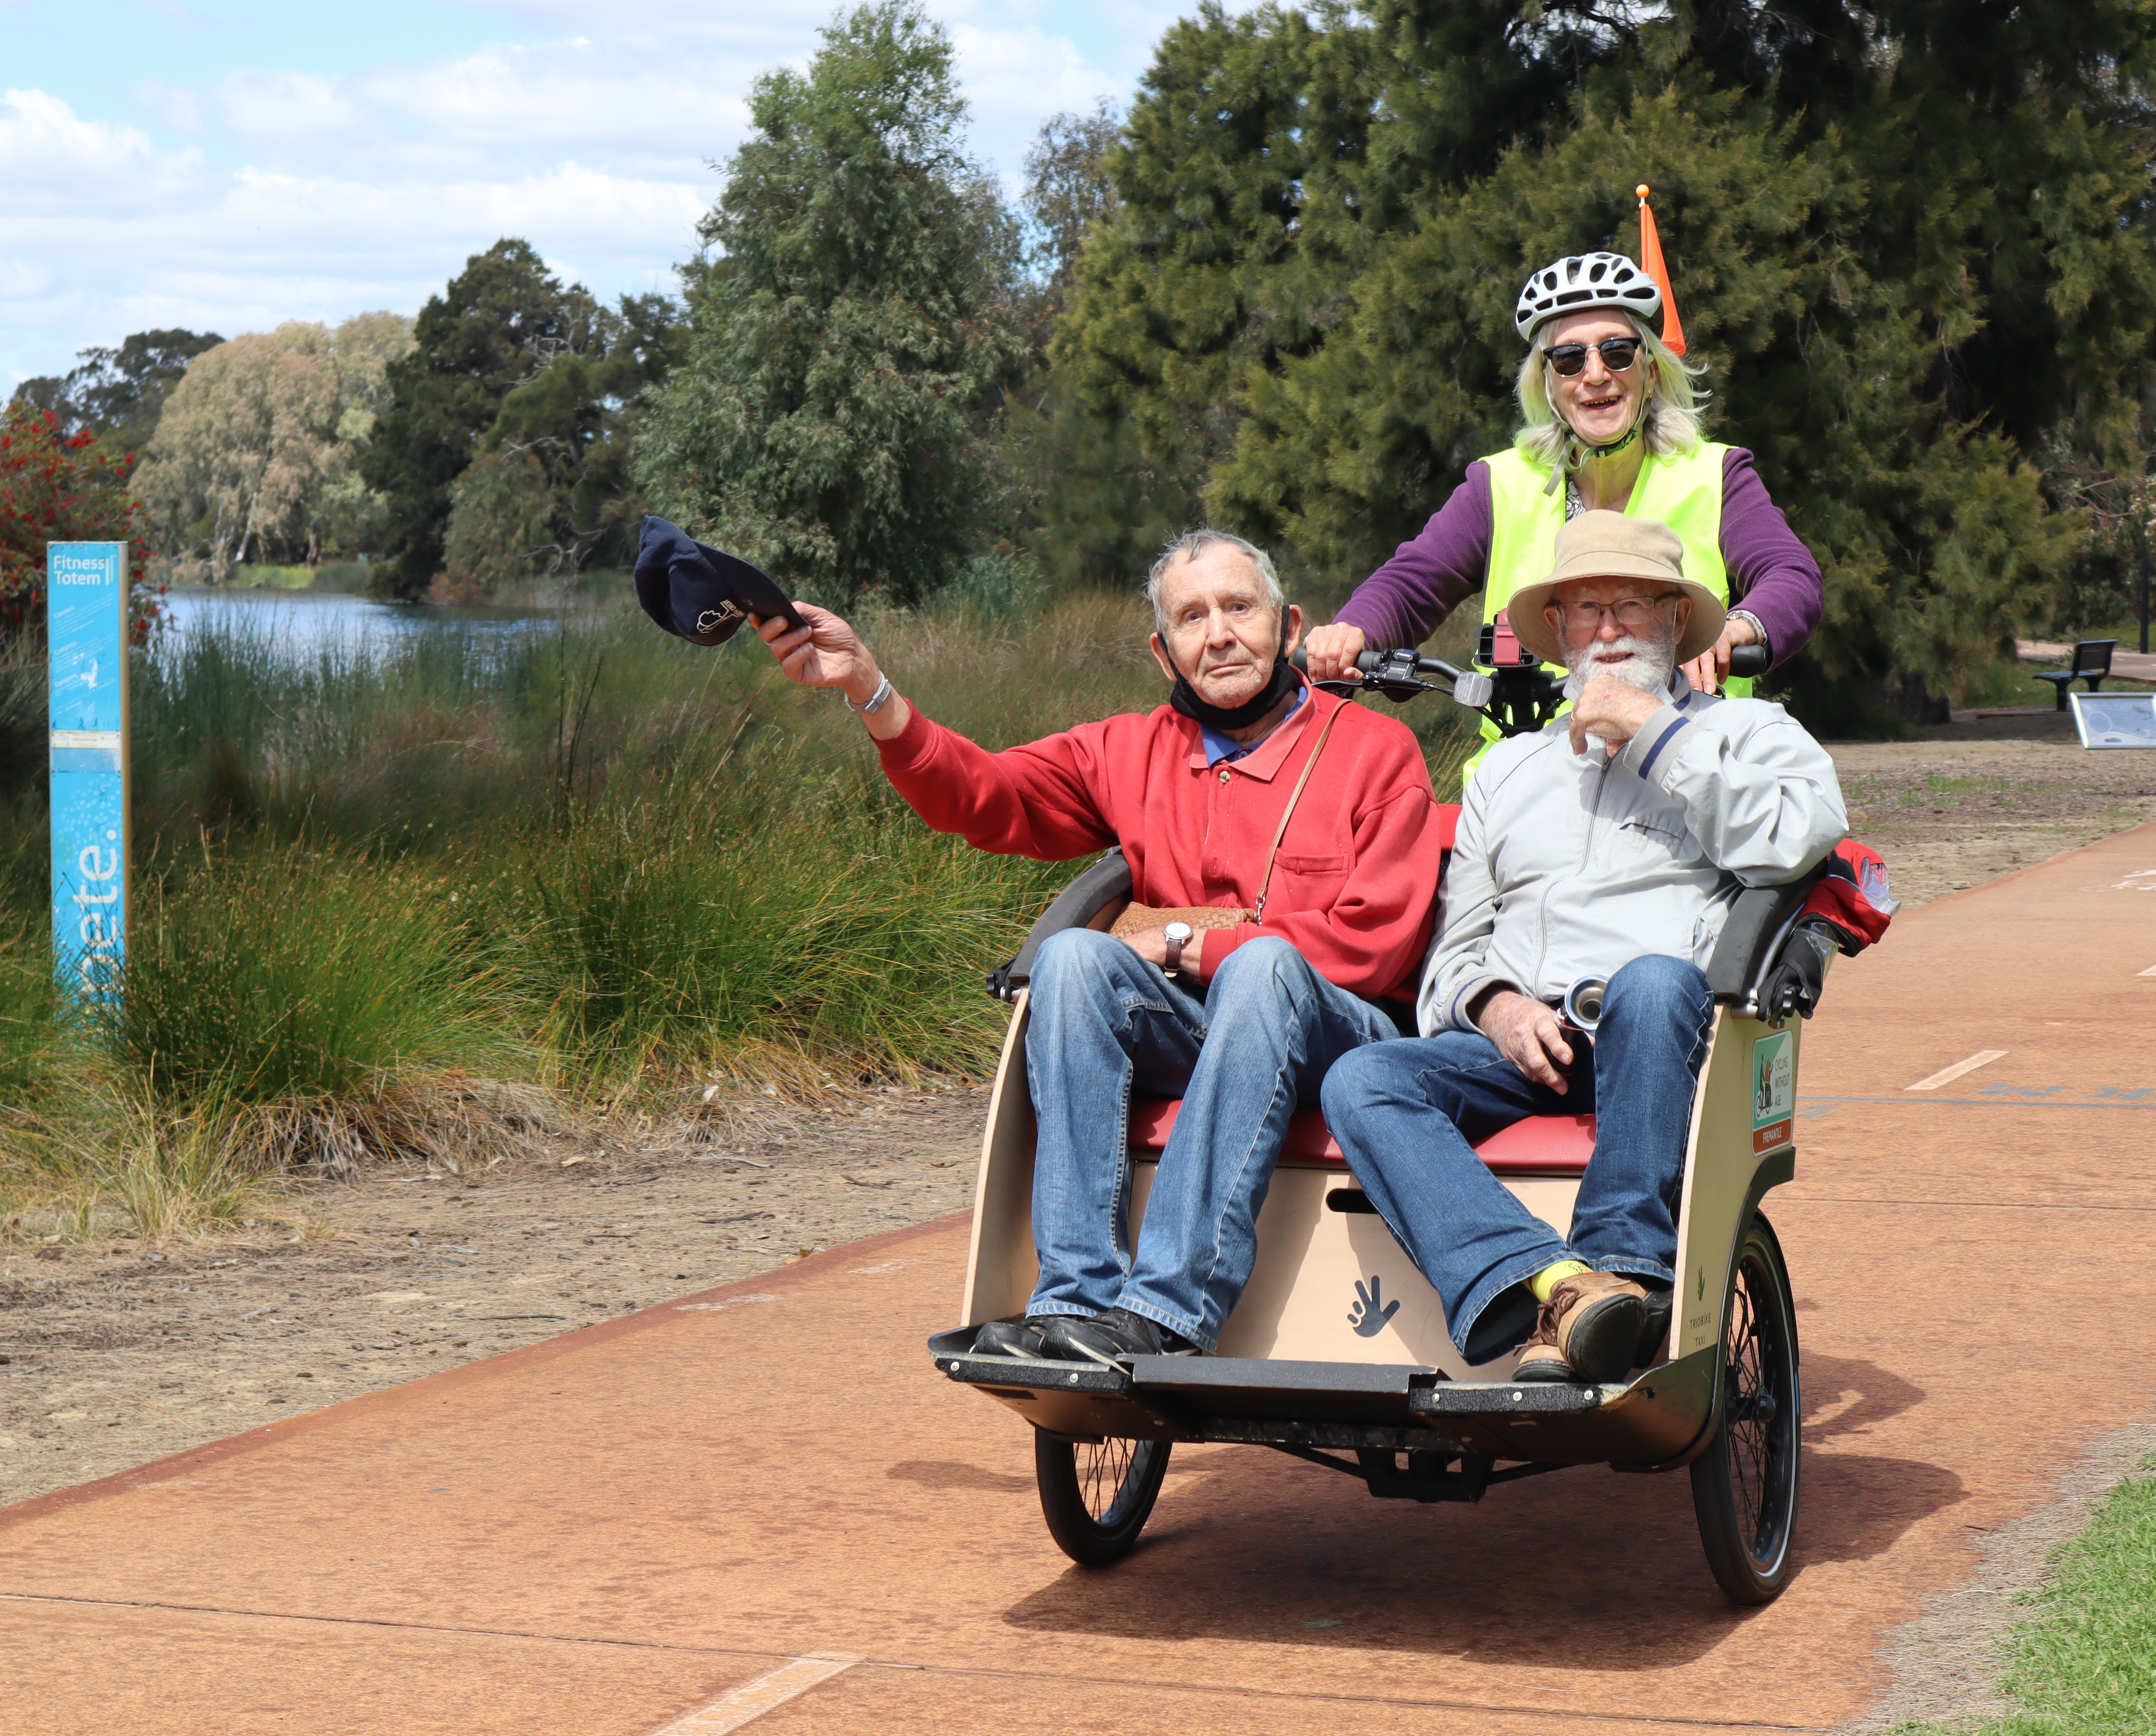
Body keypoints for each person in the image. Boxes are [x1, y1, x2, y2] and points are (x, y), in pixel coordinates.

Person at [748, 530, 1439, 1366]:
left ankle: (1169, 1314)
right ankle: (1073, 1302)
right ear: (1163, 652)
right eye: (1190, 617)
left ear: (1287, 626)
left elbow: (1371, 951)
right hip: (1207, 1036)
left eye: (1237, 607)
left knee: (1258, 966)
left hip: (1345, 1040)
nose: (1217, 633)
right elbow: (982, 795)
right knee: (1071, 957)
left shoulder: (1373, 749)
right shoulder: (1128, 749)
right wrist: (868, 686)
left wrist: (1186, 943)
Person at [1317, 512, 1847, 1384]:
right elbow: (1455, 953)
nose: (1607, 630)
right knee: (1363, 1077)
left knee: (1649, 982)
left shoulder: (1752, 738)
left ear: (1676, 622)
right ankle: (1552, 1286)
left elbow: (1796, 840)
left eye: (1631, 606)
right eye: (1584, 609)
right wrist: (1497, 1004)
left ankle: (1630, 1270)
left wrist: (1655, 729)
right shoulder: (1506, 770)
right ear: (1556, 631)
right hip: (1528, 1043)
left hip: (1667, 1035)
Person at [1304, 251, 1823, 703]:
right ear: (1548, 384)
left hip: (1681, 765)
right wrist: (1353, 632)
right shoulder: (1498, 484)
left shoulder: (1715, 473)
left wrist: (1739, 629)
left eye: (1618, 352)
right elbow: (1412, 583)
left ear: (1652, 370)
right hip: (1523, 772)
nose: (1596, 374)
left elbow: (1790, 576)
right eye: (1570, 359)